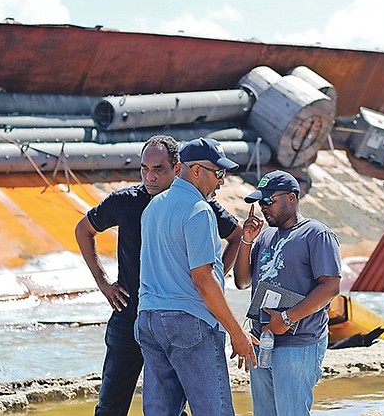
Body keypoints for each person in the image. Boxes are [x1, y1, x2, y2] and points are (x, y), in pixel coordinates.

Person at [74, 134, 242, 416]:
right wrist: (104, 284)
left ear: (178, 168)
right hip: (134, 317)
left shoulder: (198, 204)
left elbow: (236, 236)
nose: (149, 177)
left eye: (158, 169)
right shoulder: (127, 202)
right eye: (144, 169)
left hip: (170, 318)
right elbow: (83, 230)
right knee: (112, 406)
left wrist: (214, 279)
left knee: (172, 406)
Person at [136, 137, 257, 416]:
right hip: (189, 323)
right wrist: (237, 333)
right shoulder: (200, 210)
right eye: (219, 174)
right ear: (196, 171)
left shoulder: (153, 207)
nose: (222, 182)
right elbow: (203, 280)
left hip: (149, 320)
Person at [234, 170, 342, 415]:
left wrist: (286, 318)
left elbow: (331, 286)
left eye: (269, 201)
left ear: (292, 198)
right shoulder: (265, 236)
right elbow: (242, 281)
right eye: (261, 202)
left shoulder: (316, 234)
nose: (263, 207)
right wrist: (246, 240)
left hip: (298, 343)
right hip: (261, 342)